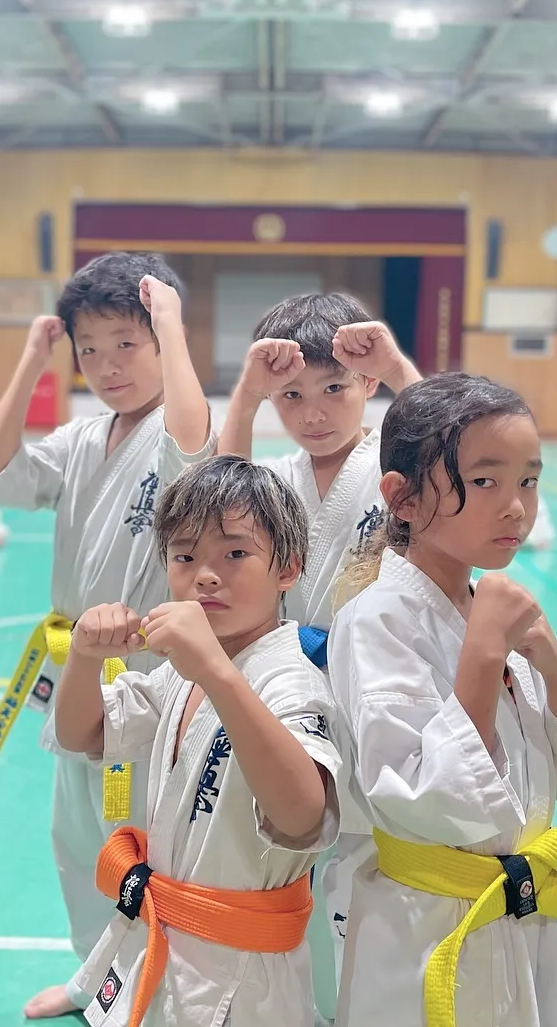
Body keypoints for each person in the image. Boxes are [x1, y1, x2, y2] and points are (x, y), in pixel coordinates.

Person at [329, 372, 557, 1027]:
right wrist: (485, 654)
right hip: (425, 920)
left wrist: (545, 656)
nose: (516, 506)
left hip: (529, 914)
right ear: (401, 499)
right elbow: (421, 795)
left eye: (529, 479)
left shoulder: (489, 603)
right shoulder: (378, 617)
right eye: (485, 481)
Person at [0, 252, 213, 1020]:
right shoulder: (80, 438)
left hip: (140, 677)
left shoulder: (176, 432)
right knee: (75, 840)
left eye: (126, 344)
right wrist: (30, 361)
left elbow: (197, 450)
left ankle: (154, 983)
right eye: (89, 349)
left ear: (162, 343)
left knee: (139, 843)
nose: (106, 365)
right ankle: (92, 974)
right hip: (74, 667)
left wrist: (171, 322)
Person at [55, 455, 340, 1027]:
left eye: (235, 553)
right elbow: (83, 734)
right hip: (165, 941)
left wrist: (216, 673)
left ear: (287, 568)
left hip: (246, 974)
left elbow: (303, 817)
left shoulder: (292, 680)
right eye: (185, 557)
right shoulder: (178, 672)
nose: (206, 575)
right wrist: (84, 659)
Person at [216, 292, 418, 990]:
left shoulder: (393, 470)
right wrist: (243, 399)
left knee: (373, 859)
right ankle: (307, 997)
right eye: (291, 395)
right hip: (289, 692)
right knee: (290, 851)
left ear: (368, 385)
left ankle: (364, 998)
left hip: (379, 688)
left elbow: (455, 451)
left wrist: (400, 367)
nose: (314, 412)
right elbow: (219, 499)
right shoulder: (276, 478)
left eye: (335, 388)